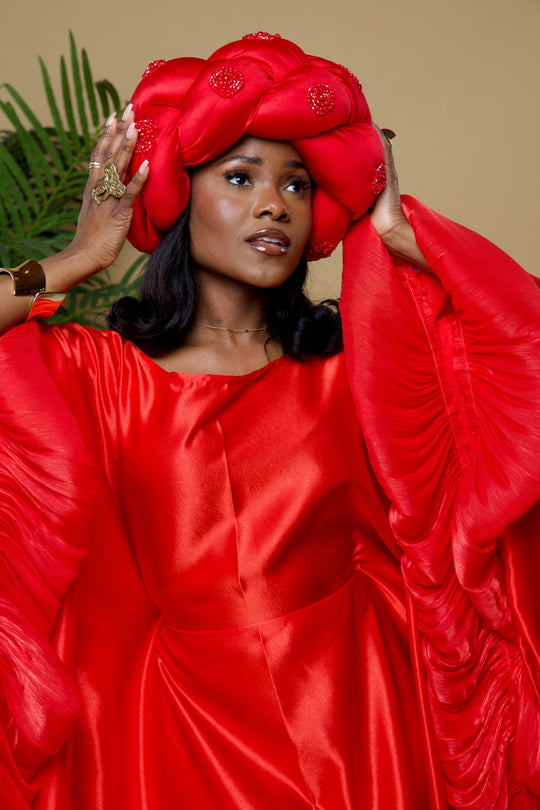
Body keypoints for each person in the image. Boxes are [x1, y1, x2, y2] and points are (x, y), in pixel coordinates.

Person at [0, 33, 539, 810]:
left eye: (296, 185)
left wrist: (396, 233)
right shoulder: (102, 373)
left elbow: (522, 344)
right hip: (174, 730)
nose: (272, 204)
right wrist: (82, 256)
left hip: (358, 715)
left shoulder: (355, 367)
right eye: (241, 176)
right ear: (180, 196)